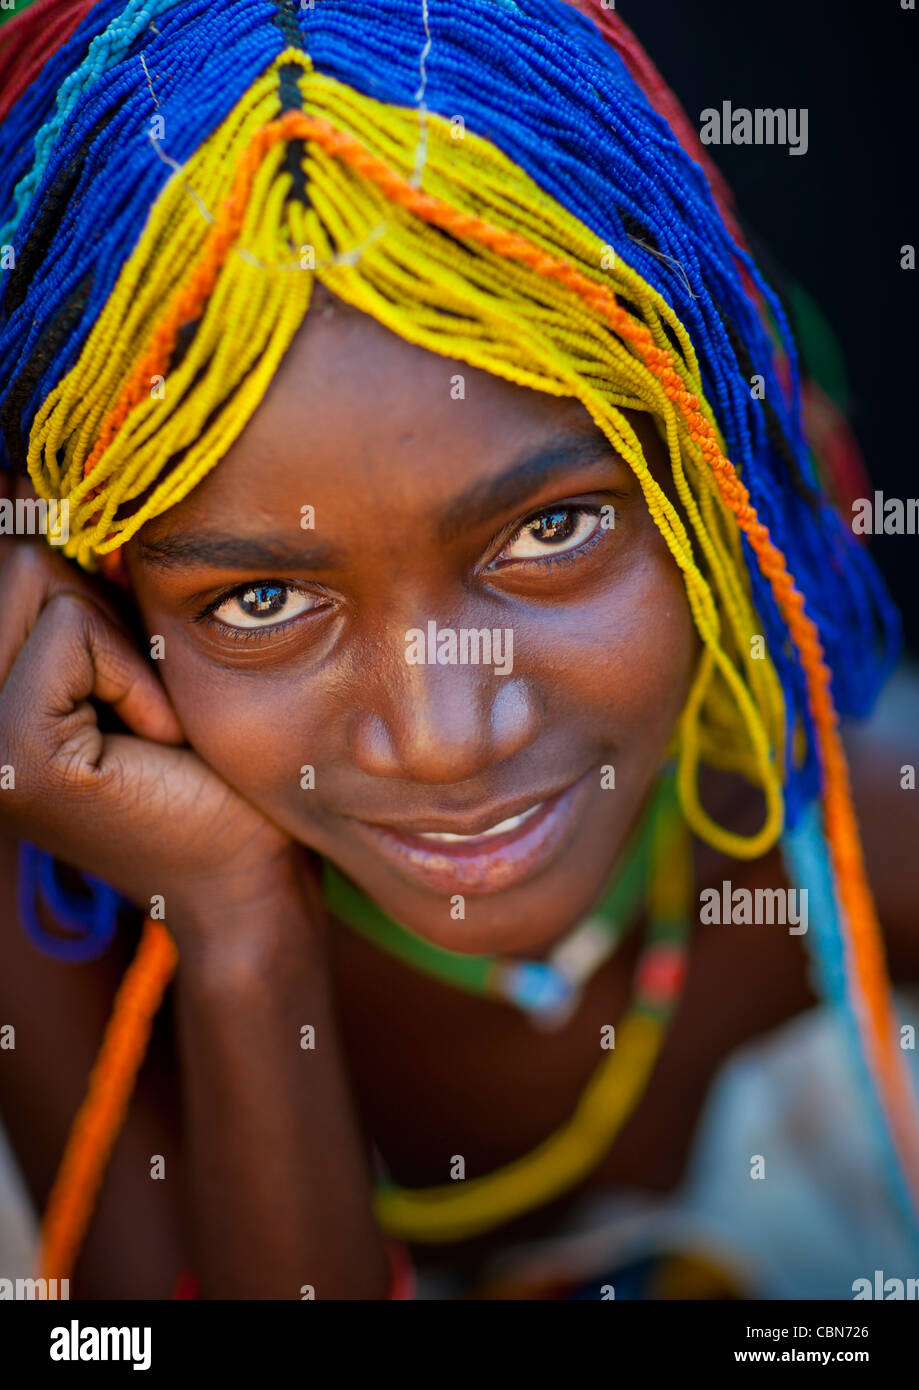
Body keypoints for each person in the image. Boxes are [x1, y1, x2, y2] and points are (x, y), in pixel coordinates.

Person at [0, 0, 916, 1300]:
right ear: (95, 608)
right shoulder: (57, 916)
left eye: (552, 527)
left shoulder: (841, 854)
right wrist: (239, 929)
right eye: (258, 601)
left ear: (718, 485)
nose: (441, 734)